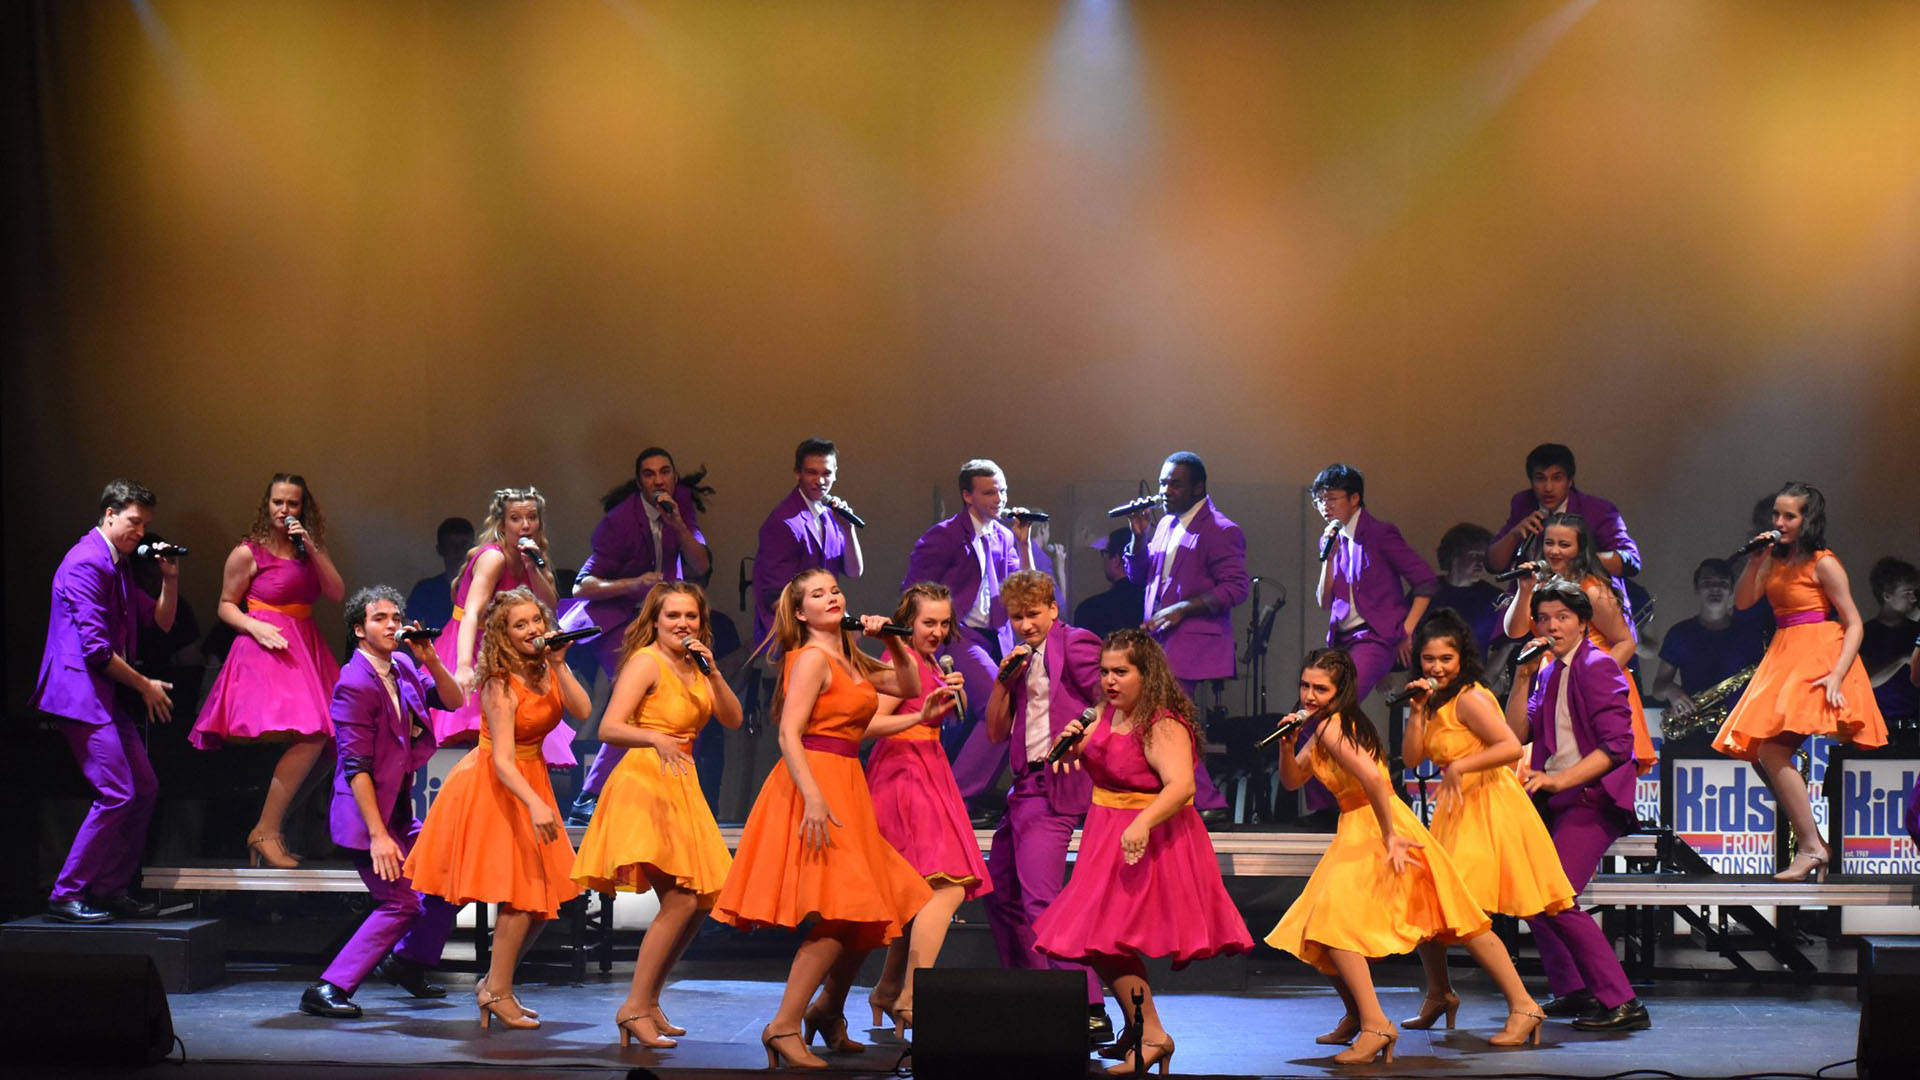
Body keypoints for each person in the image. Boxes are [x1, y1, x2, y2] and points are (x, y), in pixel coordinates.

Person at [1268, 648, 1545, 1063]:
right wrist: (1287, 745)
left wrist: (1391, 836)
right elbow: (1292, 781)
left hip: (1379, 826)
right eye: (1305, 686)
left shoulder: (1333, 727)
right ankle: (1363, 1015)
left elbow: (1375, 783)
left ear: (1340, 691)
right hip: (1359, 827)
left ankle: (1381, 1023)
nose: (1309, 695)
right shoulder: (1320, 727)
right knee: (1330, 924)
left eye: (1320, 688)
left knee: (1448, 916)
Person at [711, 570, 930, 1069]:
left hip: (847, 783)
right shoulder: (810, 658)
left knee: (882, 905)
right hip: (816, 783)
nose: (830, 598)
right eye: (817, 594)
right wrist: (811, 795)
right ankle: (784, 1026)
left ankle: (827, 1011)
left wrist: (891, 641)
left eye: (834, 590)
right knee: (840, 911)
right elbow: (789, 734)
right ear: (801, 612)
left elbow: (911, 684)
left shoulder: (849, 657)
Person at [1031, 629, 1254, 1075]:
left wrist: (1141, 823)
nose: (1110, 681)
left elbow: (1182, 786)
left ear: (1146, 674)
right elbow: (1104, 761)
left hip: (1148, 839)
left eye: (1121, 672)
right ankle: (1146, 1032)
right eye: (1105, 672)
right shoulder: (1104, 716)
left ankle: (1151, 1034)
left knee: (1104, 938)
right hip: (1104, 835)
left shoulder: (1162, 723)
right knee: (1096, 940)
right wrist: (1078, 742)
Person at [403, 588, 589, 1030]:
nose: (532, 631)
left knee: (546, 900)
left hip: (532, 778)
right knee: (524, 895)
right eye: (519, 625)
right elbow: (503, 761)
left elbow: (582, 711)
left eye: (536, 622)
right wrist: (536, 805)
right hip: (497, 785)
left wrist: (561, 664)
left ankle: (493, 984)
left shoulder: (547, 669)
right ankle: (497, 991)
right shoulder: (500, 683)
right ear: (504, 635)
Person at [570, 582, 742, 1049]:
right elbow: (609, 726)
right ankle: (633, 1006)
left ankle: (648, 1003)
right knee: (683, 899)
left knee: (698, 902)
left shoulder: (696, 666)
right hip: (646, 781)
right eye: (672, 616)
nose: (682, 624)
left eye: (690, 616)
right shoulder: (646, 662)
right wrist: (655, 739)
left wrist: (715, 672)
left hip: (680, 783)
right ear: (655, 620)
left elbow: (733, 718)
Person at [1399, 612, 1575, 1030]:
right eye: (1428, 659)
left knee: (1464, 912)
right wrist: (1417, 712)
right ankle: (1440, 994)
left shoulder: (1471, 697)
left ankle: (1524, 1006)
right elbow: (1411, 758)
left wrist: (1462, 767)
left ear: (1461, 658)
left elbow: (1511, 747)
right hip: (1457, 811)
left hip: (1488, 806)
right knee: (1429, 906)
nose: (1436, 667)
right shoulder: (1434, 700)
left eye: (1445, 658)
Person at [300, 586, 463, 1019]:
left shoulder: (405, 665)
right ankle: (329, 985)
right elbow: (356, 767)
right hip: (365, 818)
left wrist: (430, 657)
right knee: (402, 902)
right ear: (359, 629)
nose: (393, 625)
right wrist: (378, 836)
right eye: (381, 619)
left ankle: (409, 963)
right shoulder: (354, 683)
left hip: (399, 811)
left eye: (397, 617)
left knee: (449, 873)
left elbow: (453, 700)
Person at [1713, 483, 1887, 881]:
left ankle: (1811, 845)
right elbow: (1742, 603)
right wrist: (1755, 561)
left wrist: (1838, 674)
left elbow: (1854, 622)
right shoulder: (1772, 560)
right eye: (1776, 515)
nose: (1779, 523)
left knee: (1772, 751)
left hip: (1818, 652)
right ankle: (1814, 843)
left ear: (1808, 520)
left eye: (1788, 516)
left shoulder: (1824, 562)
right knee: (1760, 751)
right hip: (1784, 651)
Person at [1502, 579, 1650, 1031]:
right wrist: (1522, 676)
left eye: (1562, 617)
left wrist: (1559, 778)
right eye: (1544, 618)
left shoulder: (1598, 666)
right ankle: (1573, 990)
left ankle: (1623, 1000)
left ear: (1583, 622)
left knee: (1557, 895)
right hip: (1555, 797)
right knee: (1531, 896)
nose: (1552, 626)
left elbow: (1618, 746)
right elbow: (1515, 736)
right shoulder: (1547, 670)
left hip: (1592, 798)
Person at [34, 480, 178, 924]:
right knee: (117, 792)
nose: (141, 532)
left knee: (145, 788)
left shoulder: (116, 566)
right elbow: (96, 651)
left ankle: (111, 888)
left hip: (104, 696)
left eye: (146, 525)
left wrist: (170, 578)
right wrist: (144, 686)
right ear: (109, 514)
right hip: (79, 694)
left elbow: (160, 623)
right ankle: (67, 893)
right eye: (134, 522)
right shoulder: (86, 562)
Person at [190, 473, 345, 869]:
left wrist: (310, 545)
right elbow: (226, 604)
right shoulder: (249, 552)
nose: (285, 510)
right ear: (267, 505)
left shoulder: (307, 549)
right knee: (313, 733)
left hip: (305, 647)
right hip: (265, 647)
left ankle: (274, 826)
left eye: (293, 504)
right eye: (278, 502)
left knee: (335, 739)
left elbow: (336, 592)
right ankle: (267, 828)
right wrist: (253, 624)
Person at [979, 570, 1110, 1040]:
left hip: (1055, 784)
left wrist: (1082, 735)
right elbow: (996, 731)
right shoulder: (1018, 658)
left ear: (1053, 609)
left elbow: (1110, 700)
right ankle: (1036, 993)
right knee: (1000, 895)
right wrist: (1001, 681)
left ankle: (1088, 1003)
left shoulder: (1073, 643)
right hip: (1022, 787)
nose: (1026, 624)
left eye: (1033, 613)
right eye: (1017, 616)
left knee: (1040, 898)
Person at [862, 583, 988, 1037]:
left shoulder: (932, 661)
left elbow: (942, 712)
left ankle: (888, 988)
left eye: (941, 623)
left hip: (929, 768)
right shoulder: (908, 660)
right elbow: (870, 724)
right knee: (947, 885)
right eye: (926, 623)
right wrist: (920, 716)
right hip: (903, 774)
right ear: (907, 622)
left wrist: (952, 694)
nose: (935, 631)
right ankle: (911, 996)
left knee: (918, 892)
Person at [564, 449, 713, 815]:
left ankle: (624, 792)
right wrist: (632, 583)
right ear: (639, 482)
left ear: (675, 478)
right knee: (637, 704)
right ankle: (591, 794)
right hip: (618, 620)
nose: (658, 480)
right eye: (649, 474)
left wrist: (678, 524)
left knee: (671, 699)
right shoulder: (619, 522)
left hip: (660, 621)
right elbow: (581, 587)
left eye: (665, 472)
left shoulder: (679, 506)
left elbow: (701, 563)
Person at [902, 459, 1036, 801]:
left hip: (996, 638)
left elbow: (1023, 591)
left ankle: (952, 791)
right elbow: (913, 592)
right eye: (990, 492)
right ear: (967, 496)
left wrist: (1023, 544)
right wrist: (925, 643)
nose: (1000, 498)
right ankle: (957, 795)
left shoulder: (1004, 536)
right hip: (960, 636)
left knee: (1002, 711)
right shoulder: (944, 536)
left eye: (1003, 490)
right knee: (1000, 707)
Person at [1121, 451, 1246, 811]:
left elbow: (1235, 588)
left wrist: (1182, 608)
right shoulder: (1165, 525)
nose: (1164, 491)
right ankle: (1189, 794)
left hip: (1192, 641)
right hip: (1160, 639)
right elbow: (1139, 576)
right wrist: (1138, 538)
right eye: (1162, 482)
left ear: (1198, 487)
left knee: (1167, 717)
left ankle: (1205, 799)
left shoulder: (1221, 529)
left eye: (1174, 483)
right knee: (1163, 719)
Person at [1502, 512, 1656, 776]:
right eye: (1549, 543)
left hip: (1595, 688)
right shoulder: (1541, 586)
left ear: (1580, 548)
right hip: (1553, 683)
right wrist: (1525, 589)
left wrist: (1589, 680)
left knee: (1594, 778)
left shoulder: (1592, 589)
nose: (1555, 551)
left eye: (1564, 545)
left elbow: (1625, 642)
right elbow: (1514, 631)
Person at [428, 488, 573, 766]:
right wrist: (463, 666)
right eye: (516, 518)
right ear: (502, 524)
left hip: (509, 651)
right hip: (471, 645)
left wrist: (533, 569)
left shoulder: (535, 557)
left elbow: (549, 605)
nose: (525, 525)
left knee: (520, 732)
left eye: (531, 517)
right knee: (476, 735)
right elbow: (471, 613)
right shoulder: (493, 558)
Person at [1309, 463, 1438, 699]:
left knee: (1339, 700)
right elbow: (1324, 601)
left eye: (1331, 499)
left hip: (1375, 637)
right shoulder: (1331, 538)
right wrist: (1328, 559)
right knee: (1313, 703)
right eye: (1319, 500)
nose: (1324, 506)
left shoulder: (1379, 533)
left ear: (1354, 498)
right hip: (1342, 639)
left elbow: (1426, 582)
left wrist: (1405, 631)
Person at [752, 437, 865, 648]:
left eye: (826, 473)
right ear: (798, 473)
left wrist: (848, 529)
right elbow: (776, 595)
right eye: (812, 472)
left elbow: (854, 570)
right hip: (794, 626)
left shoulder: (831, 513)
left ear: (836, 472)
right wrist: (820, 630)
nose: (820, 481)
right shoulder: (784, 521)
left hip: (823, 618)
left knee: (855, 634)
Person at [1487, 442, 1642, 586]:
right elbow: (1492, 565)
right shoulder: (1524, 503)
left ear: (1570, 481)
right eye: (1540, 479)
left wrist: (1578, 561)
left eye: (1557, 478)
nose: (1548, 488)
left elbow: (1631, 561)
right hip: (1534, 599)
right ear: (1531, 481)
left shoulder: (1597, 509)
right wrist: (1514, 535)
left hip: (1585, 598)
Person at [1649, 559, 1770, 739]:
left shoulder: (1750, 635)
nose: (1715, 589)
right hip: (1693, 733)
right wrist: (1670, 690)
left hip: (1740, 732)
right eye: (1708, 583)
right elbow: (1657, 688)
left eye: (1722, 583)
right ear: (1696, 588)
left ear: (1731, 590)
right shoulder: (1679, 633)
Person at [1427, 524, 1506, 663]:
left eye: (1484, 557)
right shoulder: (1427, 591)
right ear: (1453, 555)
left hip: (1475, 678)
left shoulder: (1495, 598)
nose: (1480, 562)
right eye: (1474, 555)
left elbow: (1505, 646)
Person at [1861, 558, 1919, 735]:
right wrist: (1902, 660)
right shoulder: (1866, 633)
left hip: (1914, 726)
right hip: (1877, 727)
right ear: (1887, 596)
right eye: (1907, 593)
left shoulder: (1915, 631)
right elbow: (1866, 681)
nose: (1913, 598)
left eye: (1914, 592)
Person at [1072, 527, 1147, 642]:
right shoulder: (1151, 602)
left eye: (1104, 552)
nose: (1102, 559)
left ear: (1116, 559)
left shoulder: (1088, 611)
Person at [405, 517, 475, 634]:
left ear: (473, 549)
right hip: (436, 651)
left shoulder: (484, 588)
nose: (458, 551)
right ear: (440, 549)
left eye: (464, 545)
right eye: (452, 545)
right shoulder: (426, 590)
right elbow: (407, 631)